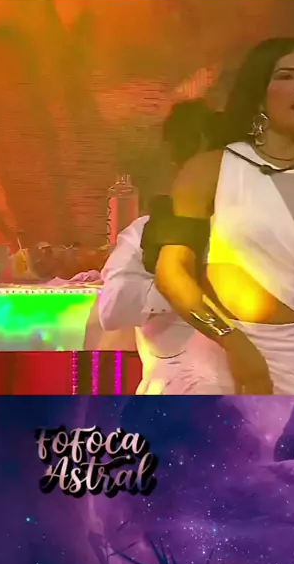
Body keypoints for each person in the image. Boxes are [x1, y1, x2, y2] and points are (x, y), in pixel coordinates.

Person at [155, 37, 294, 395]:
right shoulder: (211, 171)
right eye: (287, 76)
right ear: (259, 94)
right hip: (226, 364)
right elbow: (172, 272)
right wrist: (233, 342)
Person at [95, 99, 234, 394]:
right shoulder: (146, 232)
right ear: (178, 168)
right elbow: (111, 308)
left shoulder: (256, 233)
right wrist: (182, 284)